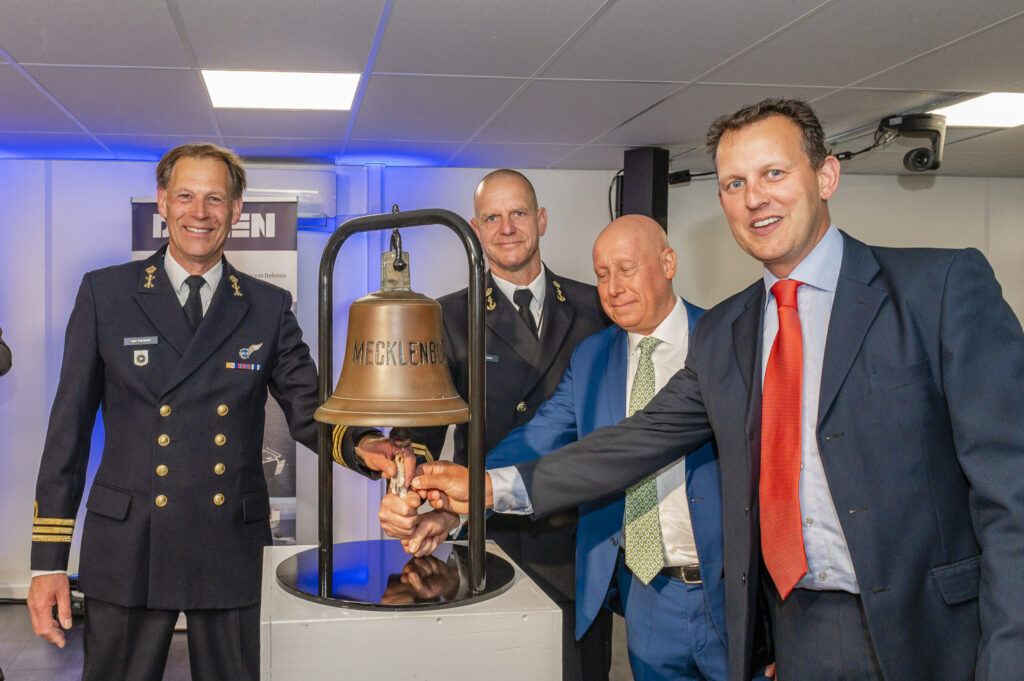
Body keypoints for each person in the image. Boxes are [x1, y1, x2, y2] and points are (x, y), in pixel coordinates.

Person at [413, 99, 1024, 681]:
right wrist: (483, 487)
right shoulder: (732, 331)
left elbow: (1011, 496)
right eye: (733, 183)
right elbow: (636, 442)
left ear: (826, 175)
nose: (753, 197)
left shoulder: (938, 289)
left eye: (773, 173)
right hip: (797, 624)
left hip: (932, 633)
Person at [395, 214, 735, 681]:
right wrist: (459, 505)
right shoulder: (594, 355)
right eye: (601, 274)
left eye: (627, 268)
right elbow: (535, 438)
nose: (613, 288)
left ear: (668, 262)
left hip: (728, 590)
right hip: (646, 594)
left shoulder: (728, 341)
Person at [27, 143, 320, 681]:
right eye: (185, 196)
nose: (199, 212)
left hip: (229, 541)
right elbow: (65, 434)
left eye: (215, 198)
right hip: (130, 543)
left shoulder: (267, 306)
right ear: (162, 203)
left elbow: (311, 413)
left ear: (236, 209)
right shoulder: (105, 294)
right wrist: (48, 563)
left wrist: (378, 448)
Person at [337, 169, 611, 681]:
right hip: (486, 535)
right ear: (474, 229)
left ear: (542, 219)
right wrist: (409, 486)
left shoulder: (597, 306)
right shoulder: (447, 315)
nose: (507, 227)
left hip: (577, 537)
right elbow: (424, 426)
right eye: (492, 217)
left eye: (519, 213)